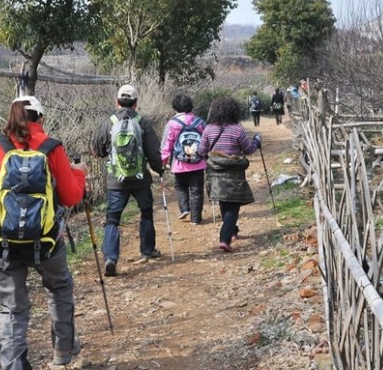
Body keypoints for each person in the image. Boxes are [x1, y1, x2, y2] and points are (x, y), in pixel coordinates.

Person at [0, 95, 87, 370]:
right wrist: (79, 172)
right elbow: (71, 198)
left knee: (12, 309)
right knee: (59, 287)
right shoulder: (52, 148)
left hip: (3, 246)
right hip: (46, 243)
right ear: (41, 118)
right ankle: (62, 351)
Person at [91, 84, 164, 277]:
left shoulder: (108, 122)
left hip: (116, 180)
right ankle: (147, 250)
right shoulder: (143, 122)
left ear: (116, 102)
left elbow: (97, 150)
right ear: (136, 103)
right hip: (141, 179)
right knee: (146, 213)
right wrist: (159, 169)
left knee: (112, 219)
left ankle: (110, 258)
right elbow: (153, 151)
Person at [199, 96, 261, 253]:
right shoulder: (237, 129)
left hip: (215, 173)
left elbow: (201, 151)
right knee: (233, 206)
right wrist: (257, 142)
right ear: (233, 111)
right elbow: (248, 149)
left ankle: (232, 231)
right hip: (234, 174)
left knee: (224, 202)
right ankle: (224, 239)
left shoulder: (208, 129)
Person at [160, 93, 206, 225]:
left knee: (181, 187)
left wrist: (163, 161)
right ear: (190, 106)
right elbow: (206, 140)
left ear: (175, 108)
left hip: (179, 163)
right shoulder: (199, 122)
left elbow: (166, 144)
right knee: (197, 190)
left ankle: (184, 208)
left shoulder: (172, 124)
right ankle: (196, 218)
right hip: (198, 163)